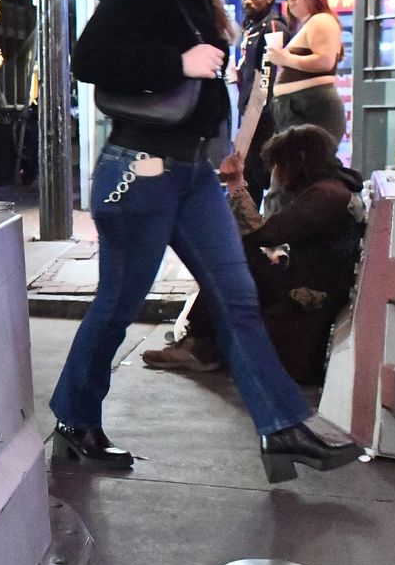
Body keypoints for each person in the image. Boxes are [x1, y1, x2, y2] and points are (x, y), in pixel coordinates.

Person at [50, 0, 361, 485]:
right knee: (118, 302)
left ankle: (281, 427)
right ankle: (74, 420)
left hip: (191, 173)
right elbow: (89, 59)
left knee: (238, 295)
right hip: (139, 171)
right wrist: (180, 62)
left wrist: (225, 151)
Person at [143, 124, 365, 385]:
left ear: (297, 162)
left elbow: (263, 233)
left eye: (280, 166)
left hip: (307, 295)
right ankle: (200, 340)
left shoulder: (325, 195)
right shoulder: (334, 187)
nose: (278, 176)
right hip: (309, 285)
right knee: (241, 258)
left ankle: (200, 344)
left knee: (233, 260)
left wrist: (237, 183)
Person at [269, 0, 346, 147]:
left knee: (302, 167)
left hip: (310, 106)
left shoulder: (321, 20)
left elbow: (325, 61)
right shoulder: (310, 23)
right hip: (299, 107)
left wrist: (287, 59)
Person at [232, 0, 287, 206]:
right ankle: (248, 234)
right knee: (246, 175)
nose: (248, 1)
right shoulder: (252, 27)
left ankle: (257, 234)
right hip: (249, 112)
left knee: (257, 176)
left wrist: (257, 116)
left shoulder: (273, 27)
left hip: (262, 116)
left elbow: (271, 74)